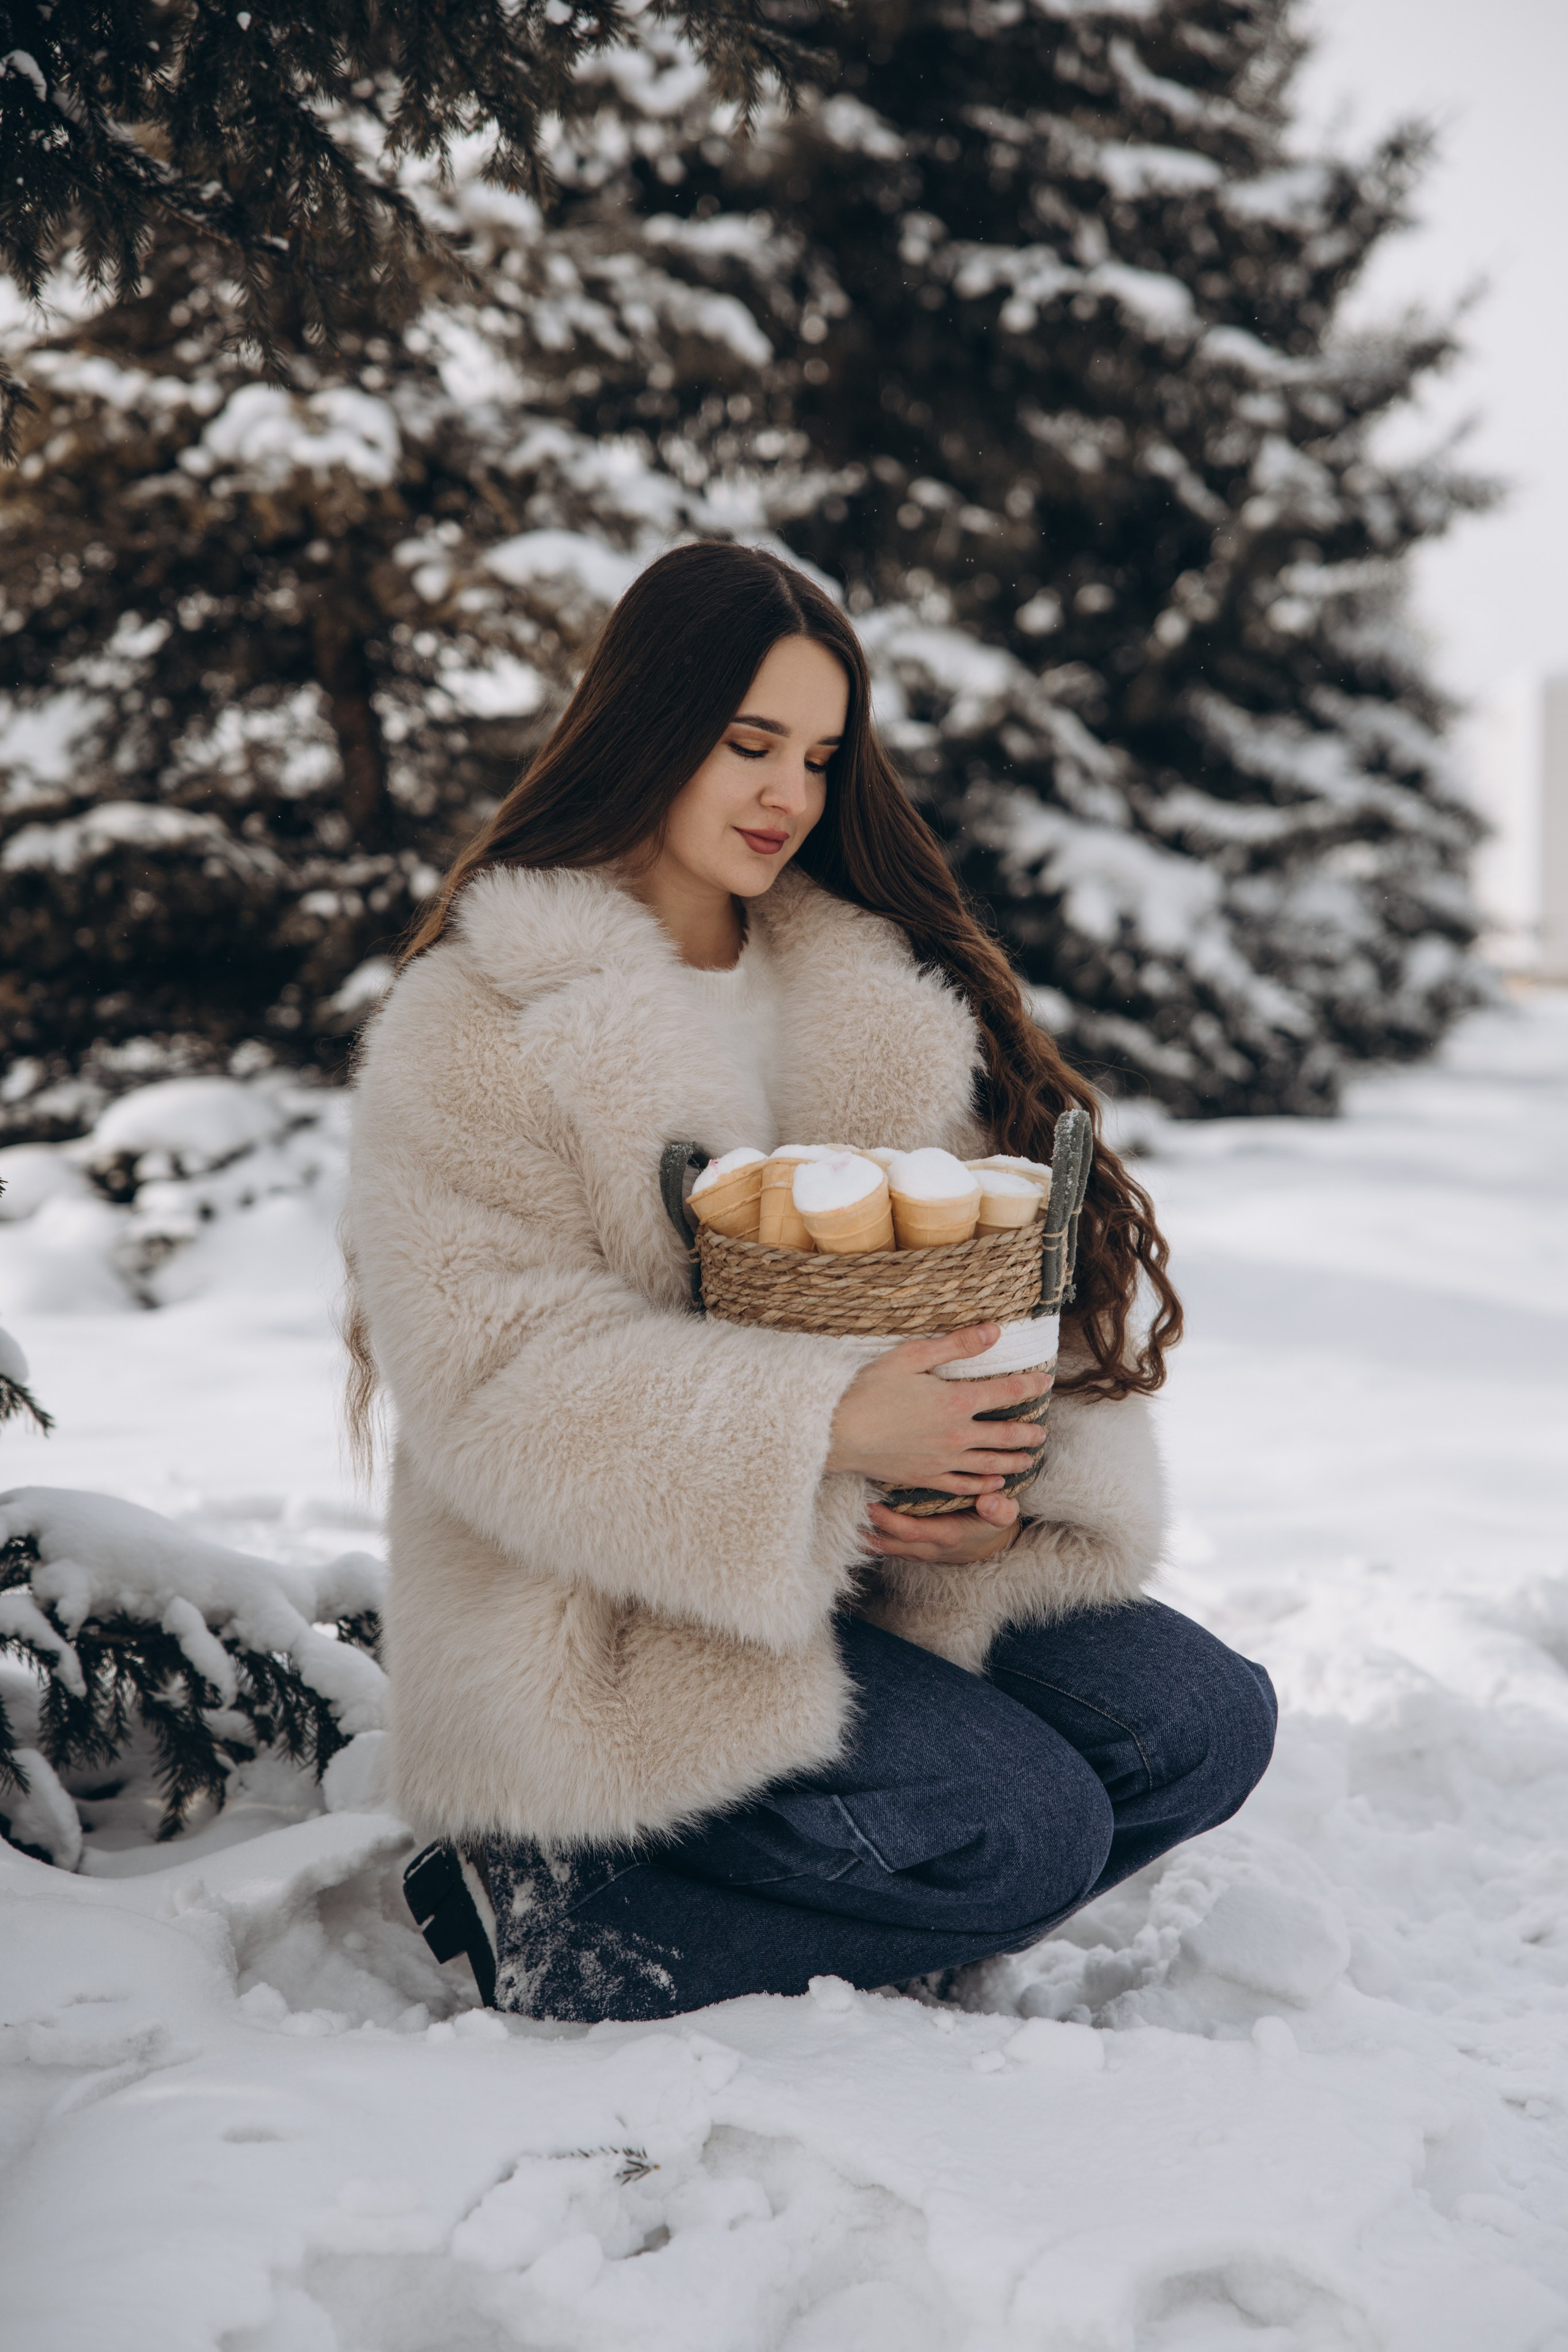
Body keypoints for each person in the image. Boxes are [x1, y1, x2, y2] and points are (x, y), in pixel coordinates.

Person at [344, 541, 1276, 2021]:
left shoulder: (868, 986)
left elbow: (973, 1282)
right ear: (649, 729)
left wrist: (984, 1485)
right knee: (1025, 1829)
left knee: (1201, 1726)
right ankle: (545, 1903)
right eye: (748, 743)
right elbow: (496, 1375)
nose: (789, 792)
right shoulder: (483, 1015)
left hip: (866, 1572)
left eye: (822, 756)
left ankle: (854, 1897)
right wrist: (830, 1425)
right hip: (602, 1618)